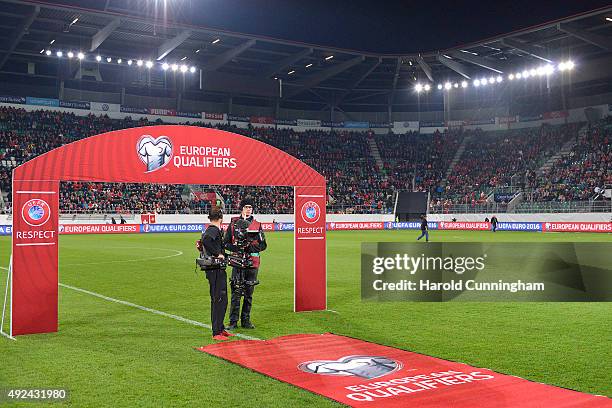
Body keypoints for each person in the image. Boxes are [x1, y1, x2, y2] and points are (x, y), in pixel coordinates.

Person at [224, 198, 267, 330]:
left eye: (250, 207)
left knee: (249, 293)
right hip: (237, 262)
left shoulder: (257, 225)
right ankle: (233, 322)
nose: (249, 209)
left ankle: (246, 320)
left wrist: (250, 248)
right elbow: (225, 243)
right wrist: (237, 248)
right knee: (236, 292)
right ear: (242, 208)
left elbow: (264, 245)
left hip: (253, 263)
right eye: (246, 206)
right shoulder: (233, 224)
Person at [199, 207, 233, 341]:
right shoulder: (213, 230)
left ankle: (220, 328)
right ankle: (216, 332)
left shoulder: (213, 229)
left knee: (222, 299)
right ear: (221, 218)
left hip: (217, 268)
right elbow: (206, 240)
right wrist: (217, 254)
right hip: (215, 269)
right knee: (218, 299)